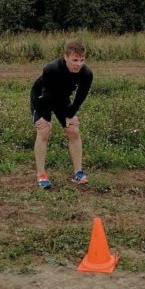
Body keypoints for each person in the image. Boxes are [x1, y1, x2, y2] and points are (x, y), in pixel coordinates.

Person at [30, 39, 93, 188]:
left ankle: (78, 173)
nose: (78, 64)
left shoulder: (86, 74)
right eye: (75, 60)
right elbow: (46, 95)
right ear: (66, 57)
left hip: (61, 98)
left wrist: (71, 114)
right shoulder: (51, 69)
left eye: (82, 60)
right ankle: (41, 175)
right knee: (44, 130)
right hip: (41, 98)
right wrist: (43, 117)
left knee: (73, 130)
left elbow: (79, 98)